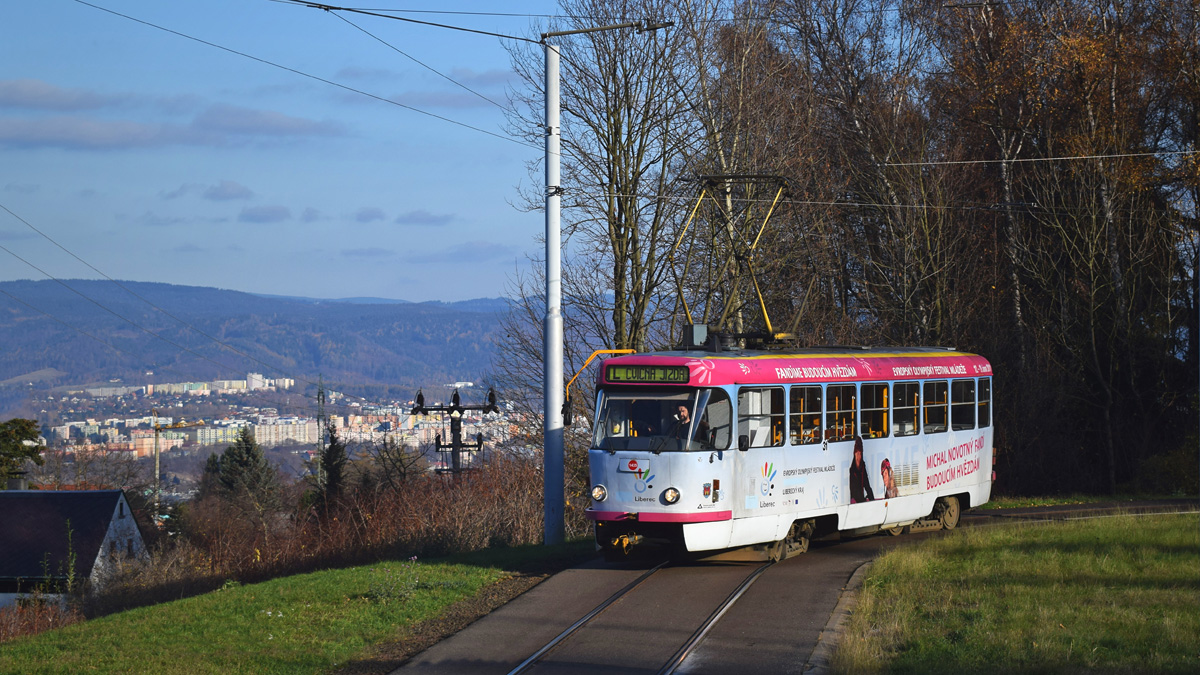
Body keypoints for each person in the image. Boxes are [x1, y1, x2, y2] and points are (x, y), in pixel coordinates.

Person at [848, 436, 874, 503]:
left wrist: (872, 500)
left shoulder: (862, 468)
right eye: (857, 453)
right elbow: (853, 489)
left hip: (861, 499)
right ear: (854, 454)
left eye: (859, 454)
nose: (858, 456)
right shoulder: (852, 470)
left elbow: (867, 485)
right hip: (855, 500)